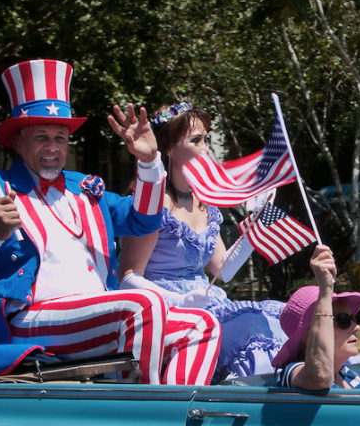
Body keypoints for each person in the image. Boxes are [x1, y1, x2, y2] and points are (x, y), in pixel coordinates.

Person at [0, 60, 220, 385]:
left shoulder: (85, 188)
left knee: (201, 325)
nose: (53, 147)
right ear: (18, 142)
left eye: (60, 136)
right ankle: (145, 416)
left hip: (100, 318)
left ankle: (172, 420)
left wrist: (149, 162)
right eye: (41, 136)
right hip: (25, 323)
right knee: (143, 302)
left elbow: (143, 222)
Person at [116, 102, 286, 382]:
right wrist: (181, 300)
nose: (205, 148)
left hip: (207, 303)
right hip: (167, 314)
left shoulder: (204, 203)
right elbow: (128, 278)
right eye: (196, 140)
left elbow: (223, 270)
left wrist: (258, 221)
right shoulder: (151, 201)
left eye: (205, 138)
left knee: (282, 319)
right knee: (253, 327)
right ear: (168, 148)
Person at [272, 245, 360, 390]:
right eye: (343, 320)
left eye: (353, 317)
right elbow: (320, 378)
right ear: (308, 337)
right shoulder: (293, 371)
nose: (357, 327)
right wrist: (325, 290)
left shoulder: (347, 374)